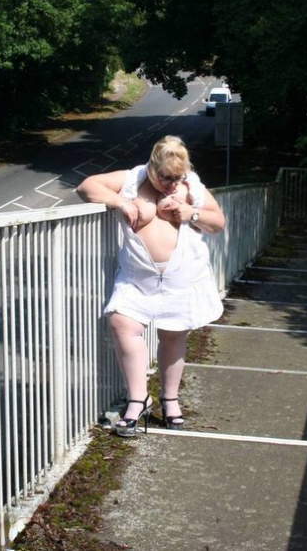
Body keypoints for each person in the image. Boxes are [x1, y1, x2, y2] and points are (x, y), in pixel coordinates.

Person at [76, 135, 225, 437]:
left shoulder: (192, 187)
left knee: (173, 335)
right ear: (151, 166)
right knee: (121, 322)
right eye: (164, 177)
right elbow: (86, 186)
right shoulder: (131, 179)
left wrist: (190, 213)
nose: (170, 184)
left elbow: (218, 222)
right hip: (137, 278)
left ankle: (170, 400)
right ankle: (138, 399)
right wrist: (120, 202)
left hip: (180, 278)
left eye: (176, 178)